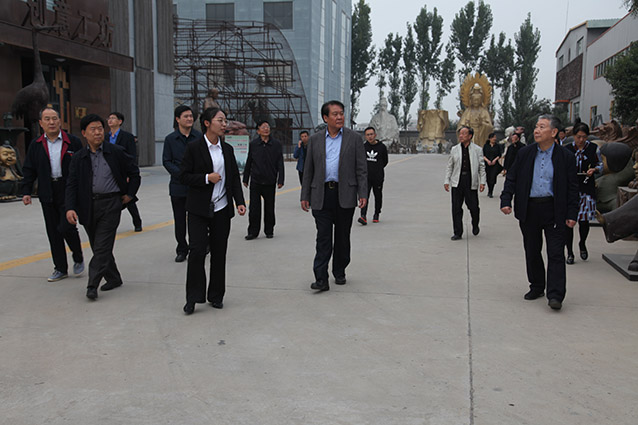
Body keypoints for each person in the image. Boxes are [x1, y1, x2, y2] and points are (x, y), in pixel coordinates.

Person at [500, 114, 579, 311]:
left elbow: (572, 187)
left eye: (542, 127)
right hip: (530, 209)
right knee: (532, 250)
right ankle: (536, 286)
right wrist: (506, 199)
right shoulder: (525, 153)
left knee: (556, 253)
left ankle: (555, 295)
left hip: (555, 210)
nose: (537, 130)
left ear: (554, 132)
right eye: (536, 126)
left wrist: (572, 213)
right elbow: (512, 178)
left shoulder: (566, 157)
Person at [65, 114, 141, 301]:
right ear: (84, 133)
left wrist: (130, 194)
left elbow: (134, 173)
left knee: (102, 245)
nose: (98, 132)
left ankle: (92, 285)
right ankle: (113, 278)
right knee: (98, 245)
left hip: (111, 203)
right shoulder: (79, 157)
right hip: (88, 205)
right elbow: (72, 184)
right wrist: (70, 207)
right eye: (93, 129)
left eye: (100, 128)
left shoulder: (116, 152)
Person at [179, 107, 246, 315]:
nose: (224, 124)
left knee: (219, 252)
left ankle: (216, 295)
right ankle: (193, 297)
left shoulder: (227, 150)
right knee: (197, 251)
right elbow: (183, 176)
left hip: (222, 208)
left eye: (225, 121)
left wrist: (239, 201)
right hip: (198, 209)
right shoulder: (194, 148)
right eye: (220, 120)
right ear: (207, 123)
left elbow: (233, 178)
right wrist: (206, 178)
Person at [300, 100, 367, 291]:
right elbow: (308, 170)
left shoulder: (354, 138)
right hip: (321, 194)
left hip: (345, 193)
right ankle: (321, 278)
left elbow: (361, 169)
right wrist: (305, 195)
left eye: (341, 113)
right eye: (335, 114)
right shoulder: (315, 140)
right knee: (323, 237)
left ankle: (340, 270)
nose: (339, 117)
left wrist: (363, 193)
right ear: (325, 118)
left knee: (342, 237)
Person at [21, 107, 84, 282]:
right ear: (41, 123)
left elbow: (82, 166)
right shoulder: (36, 145)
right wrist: (26, 191)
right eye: (47, 119)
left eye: (54, 118)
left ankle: (78, 255)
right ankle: (60, 268)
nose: (51, 122)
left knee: (66, 226)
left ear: (60, 121)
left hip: (68, 189)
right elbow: (29, 169)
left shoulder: (72, 142)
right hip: (47, 190)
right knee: (53, 232)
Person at [162, 105, 202, 262]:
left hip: (196, 186)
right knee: (179, 220)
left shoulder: (199, 137)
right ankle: (182, 249)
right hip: (178, 186)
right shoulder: (170, 139)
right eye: (186, 116)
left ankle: (196, 246)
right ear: (178, 119)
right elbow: (166, 161)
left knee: (196, 219)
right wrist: (181, 174)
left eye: (191, 116)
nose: (189, 119)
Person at [563, 122, 603, 264]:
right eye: (578, 137)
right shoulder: (567, 150)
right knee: (569, 221)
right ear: (574, 136)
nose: (581, 140)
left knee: (584, 220)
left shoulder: (593, 148)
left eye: (584, 137)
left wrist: (594, 170)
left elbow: (601, 164)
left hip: (586, 188)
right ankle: (569, 252)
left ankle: (582, 243)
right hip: (570, 189)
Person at [243, 120, 284, 240]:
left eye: (268, 127)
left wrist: (280, 179)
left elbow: (280, 163)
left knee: (269, 208)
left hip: (270, 181)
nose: (266, 129)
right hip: (256, 181)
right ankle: (253, 232)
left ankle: (269, 230)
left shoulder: (276, 144)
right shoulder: (254, 144)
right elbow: (249, 161)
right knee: (254, 208)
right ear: (258, 131)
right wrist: (246, 178)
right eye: (263, 127)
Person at [444, 126, 486, 240]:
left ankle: (475, 224)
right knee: (456, 208)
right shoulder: (454, 149)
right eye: (460, 134)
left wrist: (482, 182)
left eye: (464, 133)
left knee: (473, 207)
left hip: (470, 180)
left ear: (470, 136)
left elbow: (482, 167)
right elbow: (450, 166)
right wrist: (447, 180)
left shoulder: (477, 150)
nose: (461, 136)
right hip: (457, 181)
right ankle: (458, 232)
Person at [106, 111, 142, 232]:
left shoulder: (127, 137)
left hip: (123, 171)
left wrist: (128, 174)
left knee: (128, 198)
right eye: (109, 118)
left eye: (113, 118)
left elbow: (131, 156)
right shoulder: (106, 137)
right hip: (109, 173)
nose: (110, 120)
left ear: (120, 121)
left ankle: (137, 222)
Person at [358, 126, 388, 225]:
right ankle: (363, 216)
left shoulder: (382, 147)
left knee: (378, 195)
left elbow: (385, 161)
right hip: (366, 177)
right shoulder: (363, 147)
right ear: (365, 136)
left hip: (378, 177)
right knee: (364, 196)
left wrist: (378, 169)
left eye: (371, 134)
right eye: (368, 135)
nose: (370, 137)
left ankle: (376, 213)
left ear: (375, 135)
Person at [482, 132, 502, 198]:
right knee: (488, 177)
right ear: (490, 138)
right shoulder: (486, 146)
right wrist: (487, 160)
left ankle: (491, 191)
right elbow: (483, 155)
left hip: (495, 164)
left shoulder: (497, 146)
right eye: (493, 137)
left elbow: (499, 155)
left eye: (495, 137)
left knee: (493, 177)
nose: (494, 139)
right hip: (487, 164)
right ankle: (489, 190)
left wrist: (494, 160)